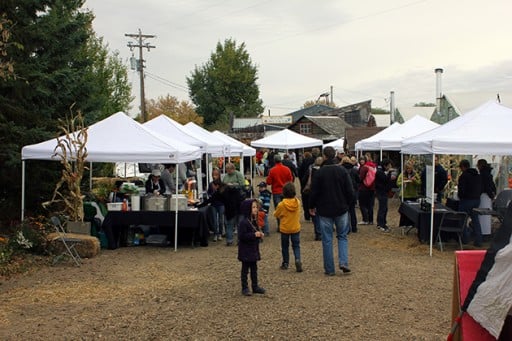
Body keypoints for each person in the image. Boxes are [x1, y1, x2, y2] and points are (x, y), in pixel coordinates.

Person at [309, 146, 355, 276]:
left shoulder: (319, 173)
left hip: (324, 210)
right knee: (342, 236)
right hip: (341, 208)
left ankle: (329, 269)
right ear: (335, 155)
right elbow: (350, 191)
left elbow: (314, 192)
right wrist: (348, 204)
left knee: (327, 239)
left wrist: (311, 206)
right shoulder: (342, 171)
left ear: (324, 156)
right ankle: (343, 262)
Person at [237, 198, 266, 296]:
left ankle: (255, 286)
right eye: (253, 207)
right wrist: (254, 235)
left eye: (256, 207)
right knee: (245, 270)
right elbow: (242, 236)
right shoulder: (244, 222)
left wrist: (259, 235)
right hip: (245, 249)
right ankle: (244, 287)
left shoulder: (254, 221)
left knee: (254, 269)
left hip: (253, 249)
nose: (255, 209)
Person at [273, 182, 302, 272]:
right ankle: (297, 259)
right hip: (295, 227)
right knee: (296, 246)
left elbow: (276, 214)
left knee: (285, 246)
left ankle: (285, 263)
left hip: (285, 228)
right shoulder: (297, 202)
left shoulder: (281, 204)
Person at [458, 159, 483, 247]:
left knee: (463, 220)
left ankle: (465, 239)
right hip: (476, 200)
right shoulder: (478, 175)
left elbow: (461, 190)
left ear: (463, 167)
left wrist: (461, 197)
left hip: (466, 200)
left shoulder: (464, 176)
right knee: (475, 220)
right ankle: (479, 240)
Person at [266, 154, 293, 231]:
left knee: (278, 209)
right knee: (287, 208)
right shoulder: (287, 169)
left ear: (274, 161)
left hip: (276, 191)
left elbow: (269, 182)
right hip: (286, 191)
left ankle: (280, 225)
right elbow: (290, 180)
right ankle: (287, 224)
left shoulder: (272, 170)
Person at [396, 161, 421, 227]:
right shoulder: (402, 174)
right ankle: (404, 224)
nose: (409, 170)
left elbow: (419, 183)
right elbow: (397, 183)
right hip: (404, 195)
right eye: (407, 168)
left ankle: (411, 224)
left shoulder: (415, 174)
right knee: (404, 211)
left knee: (413, 211)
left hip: (413, 195)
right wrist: (403, 182)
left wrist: (414, 180)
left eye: (410, 168)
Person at [477, 159, 497, 237]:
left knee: (483, 215)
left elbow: (487, 186)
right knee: (486, 216)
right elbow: (491, 185)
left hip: (484, 195)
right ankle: (485, 232)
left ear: (480, 165)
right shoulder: (488, 174)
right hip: (487, 196)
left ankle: (483, 232)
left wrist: (490, 195)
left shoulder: (483, 174)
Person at [375, 159, 395, 232]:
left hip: (384, 192)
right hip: (381, 193)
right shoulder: (379, 172)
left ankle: (382, 223)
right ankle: (381, 224)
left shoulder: (382, 171)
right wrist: (389, 173)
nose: (390, 167)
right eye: (389, 165)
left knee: (384, 208)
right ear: (385, 165)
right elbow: (385, 179)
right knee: (383, 208)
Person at [341, 156, 359, 233]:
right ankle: (354, 227)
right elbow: (359, 180)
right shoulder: (354, 169)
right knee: (352, 211)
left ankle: (347, 228)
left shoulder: (340, 170)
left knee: (345, 212)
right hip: (352, 191)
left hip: (343, 192)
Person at [207, 168, 225, 241]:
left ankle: (220, 233)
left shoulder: (222, 184)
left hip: (221, 204)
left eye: (216, 175)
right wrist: (211, 194)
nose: (214, 176)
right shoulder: (211, 184)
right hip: (213, 204)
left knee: (221, 220)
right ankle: (215, 233)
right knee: (214, 220)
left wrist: (217, 190)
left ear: (219, 175)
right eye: (213, 175)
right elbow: (208, 193)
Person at [358, 155, 376, 225]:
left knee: (362, 204)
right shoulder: (371, 167)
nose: (361, 161)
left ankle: (365, 219)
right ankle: (371, 220)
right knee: (370, 205)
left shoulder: (363, 168)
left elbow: (360, 178)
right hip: (371, 188)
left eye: (362, 160)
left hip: (364, 188)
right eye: (360, 160)